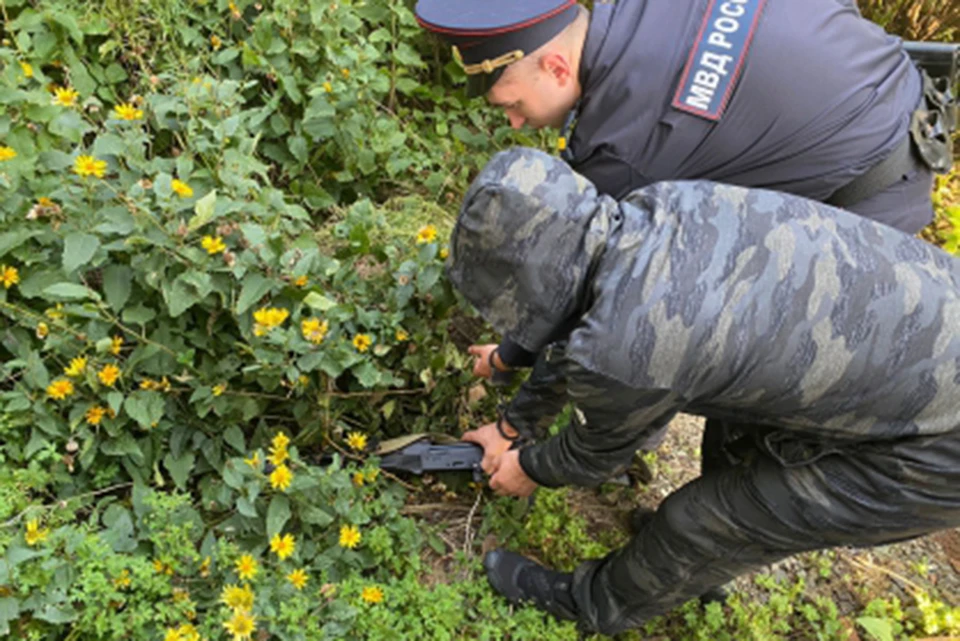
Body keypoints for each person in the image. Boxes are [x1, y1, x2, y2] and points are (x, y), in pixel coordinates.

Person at [417, 0, 956, 507]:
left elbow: (593, 295)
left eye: (511, 104)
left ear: (557, 67)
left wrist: (515, 428)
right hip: (895, 97)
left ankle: (707, 534)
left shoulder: (630, 149)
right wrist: (512, 355)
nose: (513, 121)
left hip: (867, 205)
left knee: (739, 366)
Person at [444, 147, 960, 636]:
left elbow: (594, 451)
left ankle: (593, 604)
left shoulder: (630, 345)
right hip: (913, 340)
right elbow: (575, 320)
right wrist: (517, 424)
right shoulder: (657, 206)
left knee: (700, 520)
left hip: (940, 453)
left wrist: (529, 466)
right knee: (733, 441)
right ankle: (696, 567)